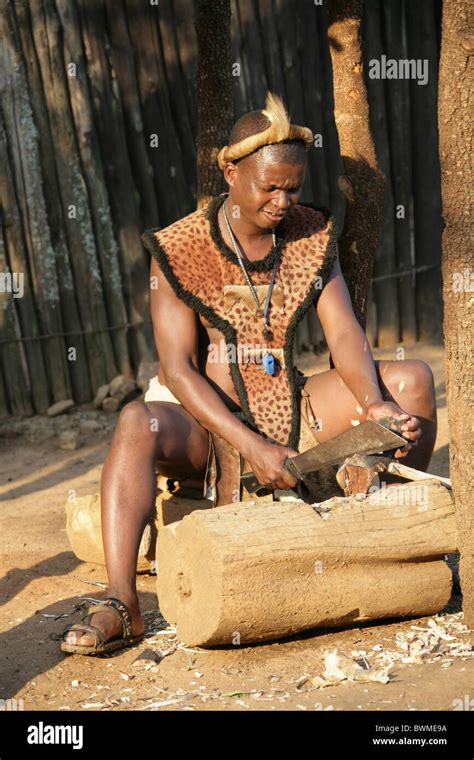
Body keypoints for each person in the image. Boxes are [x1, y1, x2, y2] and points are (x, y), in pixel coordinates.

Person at [61, 93, 436, 655]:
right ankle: (121, 603)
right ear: (231, 173)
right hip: (207, 426)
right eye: (270, 187)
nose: (284, 201)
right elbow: (178, 370)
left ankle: (388, 535)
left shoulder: (310, 233)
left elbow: (343, 333)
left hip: (293, 406)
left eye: (294, 187)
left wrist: (374, 403)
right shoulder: (179, 248)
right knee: (137, 421)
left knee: (411, 382)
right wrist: (250, 445)